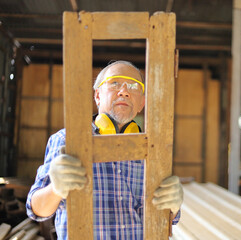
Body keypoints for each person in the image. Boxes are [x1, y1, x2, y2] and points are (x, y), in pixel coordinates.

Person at [26, 60, 183, 239]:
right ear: (98, 96)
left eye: (133, 86)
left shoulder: (152, 150)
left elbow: (168, 219)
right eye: (114, 83)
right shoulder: (66, 140)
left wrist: (175, 206)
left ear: (142, 103)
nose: (124, 91)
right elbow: (36, 210)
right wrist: (56, 189)